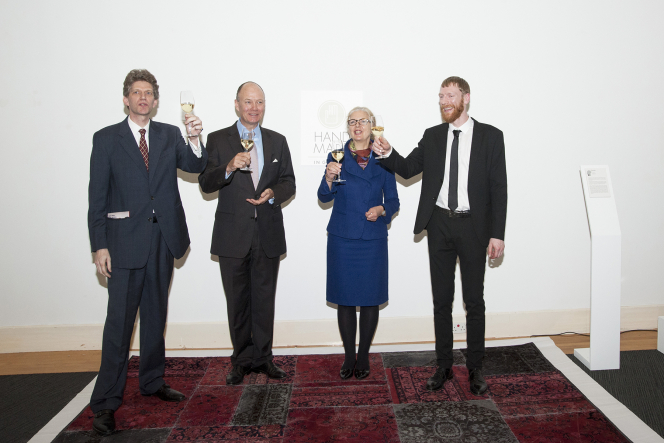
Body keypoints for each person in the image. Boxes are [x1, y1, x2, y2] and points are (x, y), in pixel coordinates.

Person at [88, 69, 208, 435]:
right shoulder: (106, 139)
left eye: (149, 93)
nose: (143, 98)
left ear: (156, 101)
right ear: (126, 99)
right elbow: (97, 196)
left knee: (155, 318)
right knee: (119, 326)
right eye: (136, 93)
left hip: (163, 239)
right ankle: (106, 402)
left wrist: (195, 137)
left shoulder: (170, 133)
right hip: (123, 243)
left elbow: (196, 166)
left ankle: (152, 381)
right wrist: (99, 245)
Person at [372, 76, 507, 395]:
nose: (444, 100)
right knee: (441, 301)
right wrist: (389, 151)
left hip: (475, 227)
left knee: (474, 301)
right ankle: (443, 366)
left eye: (450, 94)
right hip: (439, 225)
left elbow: (499, 188)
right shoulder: (432, 136)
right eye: (441, 96)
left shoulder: (491, 136)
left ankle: (475, 369)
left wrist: (497, 234)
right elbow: (406, 169)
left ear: (466, 97)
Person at [198, 82, 295, 385]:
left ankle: (264, 359)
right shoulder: (216, 140)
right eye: (249, 102)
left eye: (260, 102)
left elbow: (289, 182)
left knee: (264, 300)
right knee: (237, 301)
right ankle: (240, 360)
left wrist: (272, 193)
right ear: (237, 105)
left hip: (267, 231)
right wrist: (227, 167)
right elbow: (205, 183)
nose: (255, 108)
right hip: (232, 233)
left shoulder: (278, 141)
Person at [318, 107, 399, 379]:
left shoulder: (384, 158)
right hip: (343, 238)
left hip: (372, 239)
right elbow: (324, 196)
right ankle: (348, 357)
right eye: (351, 121)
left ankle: (363, 355)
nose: (356, 125)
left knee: (369, 300)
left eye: (362, 121)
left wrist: (381, 210)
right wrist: (329, 178)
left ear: (373, 126)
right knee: (345, 300)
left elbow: (394, 202)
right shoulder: (336, 156)